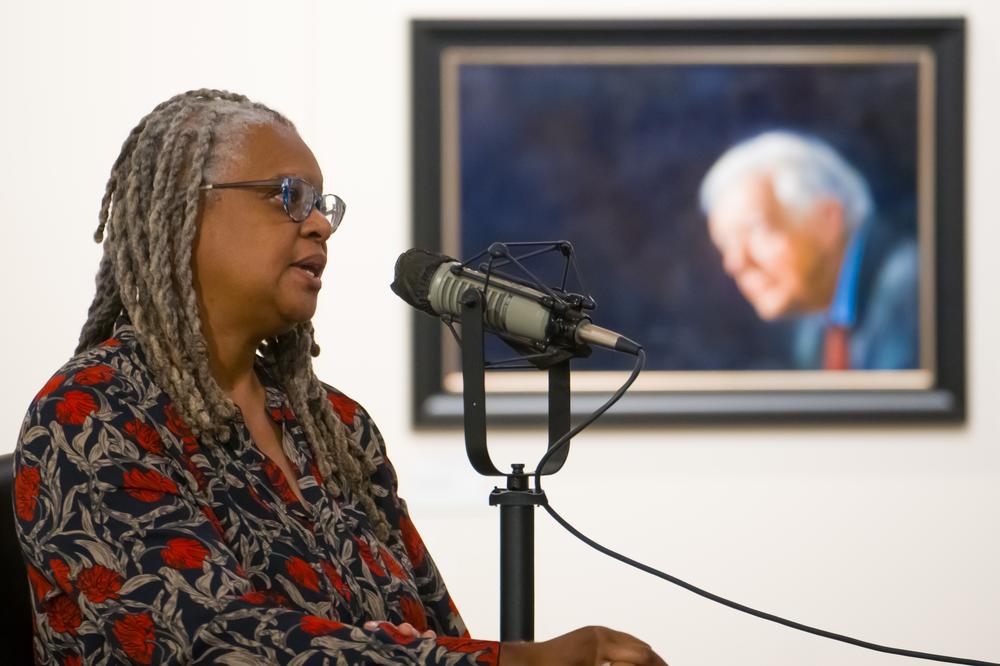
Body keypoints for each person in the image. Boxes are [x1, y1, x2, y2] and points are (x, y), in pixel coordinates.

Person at [12, 89, 667, 665]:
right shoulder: (89, 417)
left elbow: (430, 627)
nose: (320, 223)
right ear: (185, 211)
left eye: (323, 203)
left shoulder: (338, 429)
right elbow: (216, 644)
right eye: (288, 197)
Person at [698, 130, 920, 370]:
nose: (736, 262)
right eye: (725, 245)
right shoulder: (814, 330)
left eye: (756, 231)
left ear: (828, 218)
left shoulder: (911, 288)